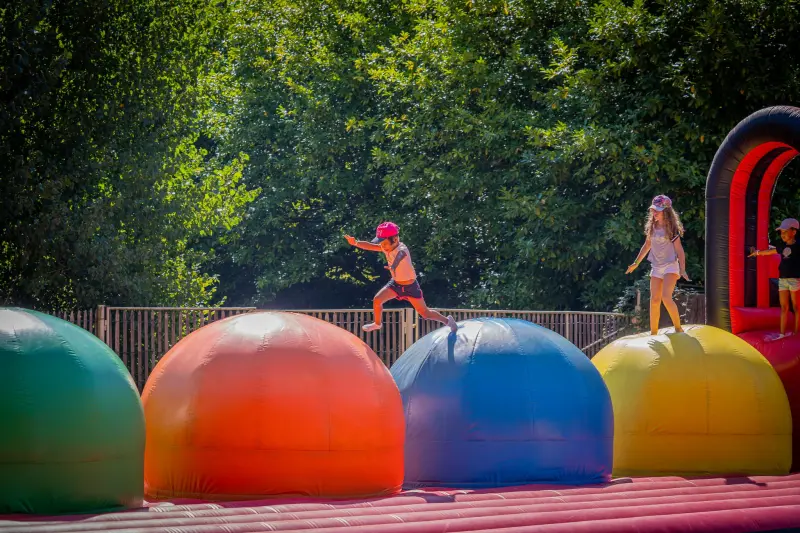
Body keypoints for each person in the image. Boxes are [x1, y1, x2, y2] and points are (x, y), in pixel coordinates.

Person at [345, 222, 458, 333]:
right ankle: (377, 324)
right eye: (381, 244)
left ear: (395, 239)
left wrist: (394, 265)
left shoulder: (402, 248)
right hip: (396, 284)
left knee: (425, 313)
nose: (382, 247)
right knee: (377, 300)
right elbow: (371, 246)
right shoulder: (386, 247)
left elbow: (400, 255)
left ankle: (447, 321)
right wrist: (355, 243)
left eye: (384, 244)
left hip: (411, 286)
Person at [626, 194, 690, 335]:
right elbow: (647, 245)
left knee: (666, 297)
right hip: (656, 267)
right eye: (653, 210)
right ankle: (653, 332)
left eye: (657, 210)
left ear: (666, 212)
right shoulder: (652, 227)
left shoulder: (671, 229)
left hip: (670, 266)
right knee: (654, 300)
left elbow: (679, 250)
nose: (654, 213)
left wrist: (683, 269)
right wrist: (636, 263)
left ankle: (678, 328)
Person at [749, 218, 800, 341]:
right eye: (781, 232)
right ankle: (782, 334)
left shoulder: (799, 245)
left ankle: (796, 333)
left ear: (794, 232)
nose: (782, 235)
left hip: (795, 279)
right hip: (782, 279)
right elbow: (771, 251)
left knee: (796, 307)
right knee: (784, 307)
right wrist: (758, 253)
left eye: (785, 232)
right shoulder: (782, 246)